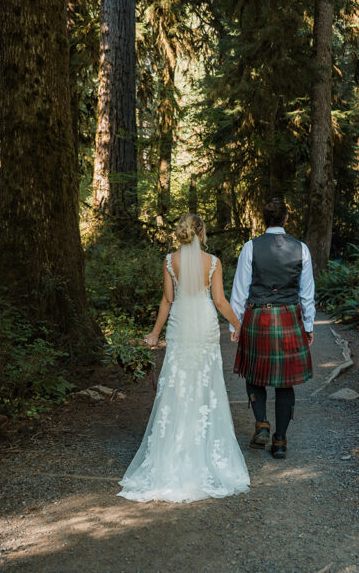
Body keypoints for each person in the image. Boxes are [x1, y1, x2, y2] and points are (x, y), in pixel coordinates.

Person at [118, 213, 250, 502]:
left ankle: (174, 450)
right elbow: (218, 301)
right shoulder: (213, 262)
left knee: (177, 383)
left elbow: (168, 300)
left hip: (180, 323)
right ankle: (204, 450)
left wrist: (155, 333)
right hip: (203, 322)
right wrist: (237, 324)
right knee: (206, 383)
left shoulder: (169, 261)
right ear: (201, 233)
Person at [230, 197, 316, 460]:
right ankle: (280, 441)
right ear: (286, 218)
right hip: (289, 316)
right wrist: (308, 324)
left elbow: (240, 289)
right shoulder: (301, 248)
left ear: (264, 219)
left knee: (254, 374)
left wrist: (236, 323)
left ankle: (262, 423)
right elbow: (307, 292)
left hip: (258, 316)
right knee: (285, 382)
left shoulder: (250, 247)